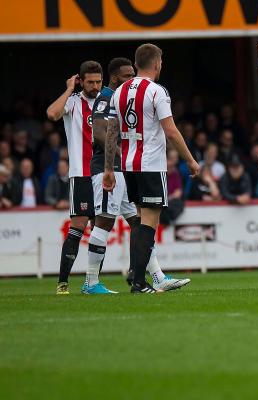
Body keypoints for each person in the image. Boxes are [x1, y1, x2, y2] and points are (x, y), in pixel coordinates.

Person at [85, 57, 190, 294]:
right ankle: (91, 282)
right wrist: (123, 154)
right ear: (114, 77)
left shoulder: (125, 95)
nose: (131, 79)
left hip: (127, 167)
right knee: (104, 222)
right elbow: (101, 131)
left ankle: (155, 275)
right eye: (126, 75)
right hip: (110, 167)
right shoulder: (107, 97)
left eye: (133, 74)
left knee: (138, 223)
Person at [47, 61, 102, 294]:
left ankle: (92, 282)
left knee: (100, 228)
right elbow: (52, 114)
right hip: (81, 174)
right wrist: (69, 89)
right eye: (90, 82)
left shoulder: (106, 102)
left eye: (99, 81)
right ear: (81, 80)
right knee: (78, 225)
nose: (95, 86)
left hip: (102, 174)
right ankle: (63, 282)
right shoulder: (74, 101)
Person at [160, 149, 185, 225]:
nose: (172, 162)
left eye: (175, 158)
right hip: (159, 202)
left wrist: (169, 198)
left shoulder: (176, 173)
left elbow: (178, 192)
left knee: (178, 204)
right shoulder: (159, 173)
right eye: (171, 159)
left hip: (170, 202)